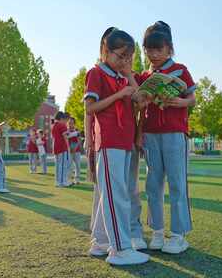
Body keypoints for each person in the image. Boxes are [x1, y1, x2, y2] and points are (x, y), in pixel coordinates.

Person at [85, 28, 149, 265]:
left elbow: (141, 101)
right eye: (120, 56)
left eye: (128, 57)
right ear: (105, 50)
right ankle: (120, 249)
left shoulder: (121, 76)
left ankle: (101, 241)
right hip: (110, 140)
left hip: (124, 140)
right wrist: (120, 93)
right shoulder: (96, 73)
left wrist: (128, 76)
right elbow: (90, 108)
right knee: (116, 195)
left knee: (111, 193)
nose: (124, 61)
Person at [138, 21, 196, 254]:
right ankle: (158, 231)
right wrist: (140, 132)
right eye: (148, 50)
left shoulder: (181, 69)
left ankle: (179, 235)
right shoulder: (144, 75)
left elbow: (192, 99)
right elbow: (140, 107)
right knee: (153, 184)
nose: (153, 55)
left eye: (158, 50)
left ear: (169, 49)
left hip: (174, 134)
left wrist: (181, 102)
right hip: (151, 135)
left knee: (177, 183)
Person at [52, 111, 71, 187]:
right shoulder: (62, 125)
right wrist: (74, 134)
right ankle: (62, 181)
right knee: (63, 165)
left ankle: (57, 181)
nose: (65, 120)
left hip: (56, 146)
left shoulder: (54, 125)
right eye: (64, 118)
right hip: (62, 147)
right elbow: (66, 136)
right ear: (61, 118)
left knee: (58, 165)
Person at [67, 117, 82, 184]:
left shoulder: (77, 131)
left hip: (77, 150)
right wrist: (69, 148)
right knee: (69, 166)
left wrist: (75, 148)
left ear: (74, 124)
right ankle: (69, 179)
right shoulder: (66, 131)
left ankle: (77, 179)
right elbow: (66, 140)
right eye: (69, 123)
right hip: (69, 150)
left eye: (72, 123)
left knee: (77, 165)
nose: (70, 124)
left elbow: (79, 140)